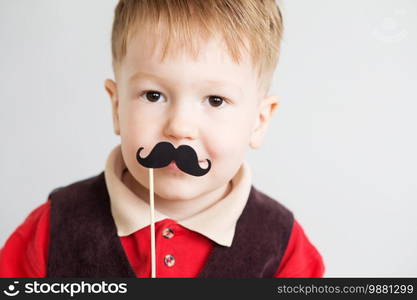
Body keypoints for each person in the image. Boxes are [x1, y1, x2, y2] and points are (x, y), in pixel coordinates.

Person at [0, 0, 325, 277]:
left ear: (259, 120)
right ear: (117, 106)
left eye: (215, 100)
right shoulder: (53, 228)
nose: (180, 127)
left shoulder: (283, 248)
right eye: (153, 95)